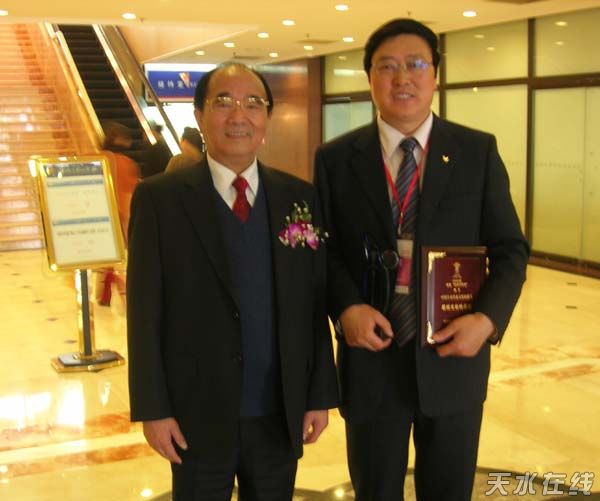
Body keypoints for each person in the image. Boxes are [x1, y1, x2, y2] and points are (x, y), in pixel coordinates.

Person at [314, 18, 529, 501]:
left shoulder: (475, 151)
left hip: (454, 356)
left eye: (415, 64)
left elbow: (510, 250)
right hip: (371, 359)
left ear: (435, 74)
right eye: (387, 66)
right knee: (375, 490)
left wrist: (486, 321)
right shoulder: (336, 158)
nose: (402, 78)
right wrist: (345, 307)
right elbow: (323, 250)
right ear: (370, 77)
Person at [127, 63, 338, 500]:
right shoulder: (160, 199)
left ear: (267, 118)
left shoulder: (299, 197)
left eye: (253, 103)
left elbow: (311, 303)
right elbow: (144, 312)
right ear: (200, 115)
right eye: (223, 102)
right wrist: (153, 408)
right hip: (195, 413)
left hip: (278, 410)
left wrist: (318, 394)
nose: (239, 115)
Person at [95, 121, 140, 306]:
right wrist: (129, 223)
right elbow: (127, 197)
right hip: (116, 217)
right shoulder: (126, 163)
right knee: (120, 261)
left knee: (106, 260)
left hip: (96, 216)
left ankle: (103, 294)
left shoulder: (96, 159)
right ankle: (121, 295)